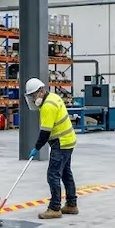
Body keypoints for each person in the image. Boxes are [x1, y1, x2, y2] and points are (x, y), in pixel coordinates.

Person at [24, 78, 78, 219]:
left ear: (41, 91)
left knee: (53, 175)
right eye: (31, 97)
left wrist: (36, 148)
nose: (33, 99)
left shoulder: (48, 106)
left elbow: (45, 132)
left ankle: (55, 208)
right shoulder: (54, 97)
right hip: (68, 140)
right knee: (66, 173)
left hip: (61, 142)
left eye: (34, 96)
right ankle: (71, 204)